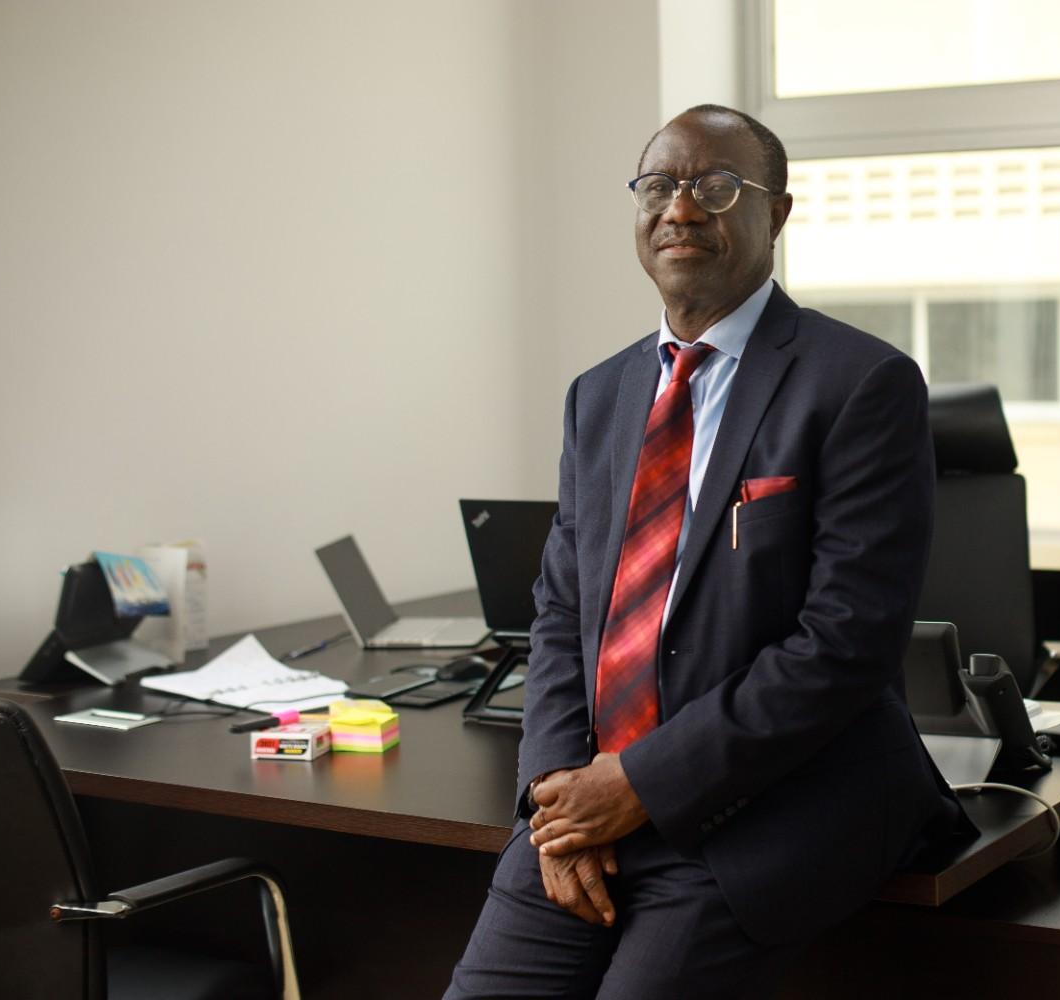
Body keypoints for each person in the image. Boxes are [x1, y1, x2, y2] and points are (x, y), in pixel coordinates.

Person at [443, 104, 966, 1000]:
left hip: (768, 807)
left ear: (779, 214)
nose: (681, 209)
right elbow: (565, 611)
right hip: (593, 801)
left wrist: (641, 784)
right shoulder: (598, 396)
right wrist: (557, 793)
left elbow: (844, 644)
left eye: (717, 186)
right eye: (658, 186)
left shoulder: (859, 384)